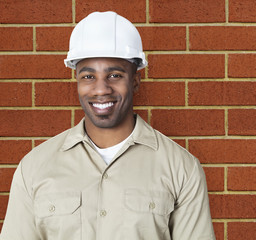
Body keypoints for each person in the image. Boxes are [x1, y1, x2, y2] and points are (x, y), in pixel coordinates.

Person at [0, 11, 215, 240]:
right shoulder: (34, 168)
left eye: (114, 75)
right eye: (88, 77)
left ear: (135, 81)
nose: (101, 89)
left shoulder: (181, 168)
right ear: (77, 81)